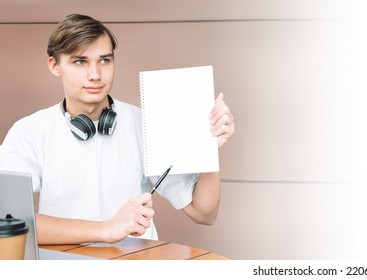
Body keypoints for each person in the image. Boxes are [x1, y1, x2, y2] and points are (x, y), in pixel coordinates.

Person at [0, 14, 235, 244]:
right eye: (80, 62)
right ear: (55, 65)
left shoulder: (144, 124)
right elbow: (5, 218)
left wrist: (208, 148)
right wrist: (105, 230)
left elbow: (204, 214)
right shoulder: (29, 132)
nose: (95, 75)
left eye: (105, 60)